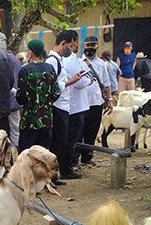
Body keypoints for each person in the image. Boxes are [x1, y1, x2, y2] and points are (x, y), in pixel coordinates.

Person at [47, 30, 85, 179]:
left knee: (62, 141)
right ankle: (52, 175)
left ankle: (55, 174)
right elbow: (53, 86)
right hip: (57, 106)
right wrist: (71, 81)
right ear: (63, 43)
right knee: (59, 142)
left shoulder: (59, 60)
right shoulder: (52, 61)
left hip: (63, 105)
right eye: (71, 45)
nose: (73, 48)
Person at [16, 39, 59, 152]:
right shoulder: (50, 69)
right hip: (47, 119)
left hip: (29, 121)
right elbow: (56, 92)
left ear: (30, 53)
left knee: (27, 154)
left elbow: (21, 98)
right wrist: (46, 103)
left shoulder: (24, 71)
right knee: (43, 153)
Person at [63, 32, 93, 167]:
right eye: (76, 42)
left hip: (75, 104)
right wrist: (90, 81)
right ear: (72, 42)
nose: (77, 45)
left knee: (73, 138)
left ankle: (69, 163)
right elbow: (79, 82)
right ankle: (68, 166)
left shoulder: (69, 60)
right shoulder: (71, 60)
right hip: (75, 106)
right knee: (72, 139)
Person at [81, 36, 111, 164]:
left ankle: (87, 157)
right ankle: (75, 157)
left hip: (97, 102)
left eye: (93, 45)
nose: (90, 48)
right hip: (82, 103)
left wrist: (109, 100)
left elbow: (106, 83)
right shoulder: (78, 62)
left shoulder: (102, 64)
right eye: (88, 45)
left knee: (92, 131)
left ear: (97, 47)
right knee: (80, 131)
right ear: (84, 46)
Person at [0, 32, 22, 149]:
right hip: (15, 101)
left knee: (5, 132)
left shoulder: (2, 59)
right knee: (15, 130)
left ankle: (11, 155)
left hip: (6, 102)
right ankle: (15, 154)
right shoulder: (15, 60)